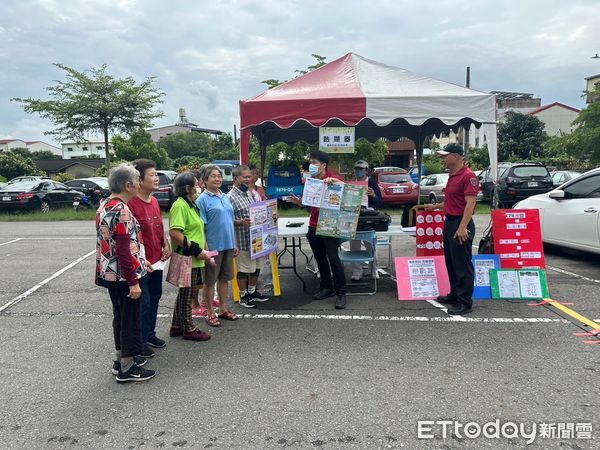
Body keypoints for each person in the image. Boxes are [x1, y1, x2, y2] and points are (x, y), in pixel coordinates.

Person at [95, 163, 155, 383]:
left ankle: (121, 358)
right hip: (123, 275)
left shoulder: (104, 205)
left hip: (111, 273)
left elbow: (115, 244)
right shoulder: (122, 210)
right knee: (130, 319)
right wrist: (133, 281)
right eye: (138, 180)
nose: (140, 183)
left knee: (120, 316)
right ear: (128, 185)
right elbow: (121, 248)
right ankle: (128, 367)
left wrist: (142, 260)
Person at [286, 151, 347, 309]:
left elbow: (349, 192)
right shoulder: (310, 182)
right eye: (310, 163)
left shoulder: (334, 179)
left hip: (330, 225)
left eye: (314, 163)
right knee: (320, 259)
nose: (311, 166)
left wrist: (335, 182)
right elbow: (308, 206)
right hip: (313, 225)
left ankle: (341, 293)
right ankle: (327, 287)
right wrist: (298, 202)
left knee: (334, 259)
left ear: (323, 165)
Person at [425, 143, 479, 315]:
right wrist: (436, 207)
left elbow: (470, 203)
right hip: (450, 223)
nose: (442, 158)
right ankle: (454, 294)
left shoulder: (468, 176)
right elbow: (453, 201)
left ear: (455, 156)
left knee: (462, 265)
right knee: (451, 262)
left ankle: (465, 302)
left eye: (445, 155)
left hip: (460, 224)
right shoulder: (452, 176)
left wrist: (463, 227)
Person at [128, 159, 171, 359]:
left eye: (156, 174)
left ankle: (150, 334)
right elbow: (130, 237)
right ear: (139, 179)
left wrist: (166, 243)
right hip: (141, 263)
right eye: (152, 175)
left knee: (154, 298)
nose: (156, 178)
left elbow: (158, 226)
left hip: (157, 259)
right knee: (142, 303)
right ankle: (140, 340)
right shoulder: (131, 204)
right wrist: (140, 259)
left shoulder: (153, 201)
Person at [168, 172, 213, 341]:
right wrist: (196, 250)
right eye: (196, 184)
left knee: (185, 293)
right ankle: (189, 328)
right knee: (188, 294)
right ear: (187, 188)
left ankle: (176, 325)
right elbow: (175, 233)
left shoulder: (191, 204)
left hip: (193, 257)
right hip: (187, 257)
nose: (200, 186)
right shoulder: (180, 205)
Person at [196, 165, 239, 326]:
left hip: (228, 244)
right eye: (213, 176)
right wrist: (205, 250)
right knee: (209, 281)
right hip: (213, 247)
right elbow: (201, 227)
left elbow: (230, 221)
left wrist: (234, 242)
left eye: (219, 176)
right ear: (205, 180)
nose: (217, 179)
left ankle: (223, 309)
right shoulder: (202, 200)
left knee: (224, 279)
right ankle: (209, 312)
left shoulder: (225, 197)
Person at [228, 165, 271, 308]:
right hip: (242, 240)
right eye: (245, 177)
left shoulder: (250, 193)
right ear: (236, 178)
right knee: (244, 270)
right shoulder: (230, 198)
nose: (248, 179)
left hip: (257, 239)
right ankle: (243, 296)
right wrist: (240, 222)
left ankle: (252, 292)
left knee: (257, 267)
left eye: (249, 176)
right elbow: (226, 221)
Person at [350, 160, 383, 281]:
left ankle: (374, 270)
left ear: (366, 170)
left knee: (371, 245)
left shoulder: (371, 183)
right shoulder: (352, 183)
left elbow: (380, 202)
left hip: (368, 217)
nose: (358, 171)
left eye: (361, 169)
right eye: (356, 169)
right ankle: (357, 272)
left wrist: (374, 195)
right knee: (354, 245)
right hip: (354, 216)